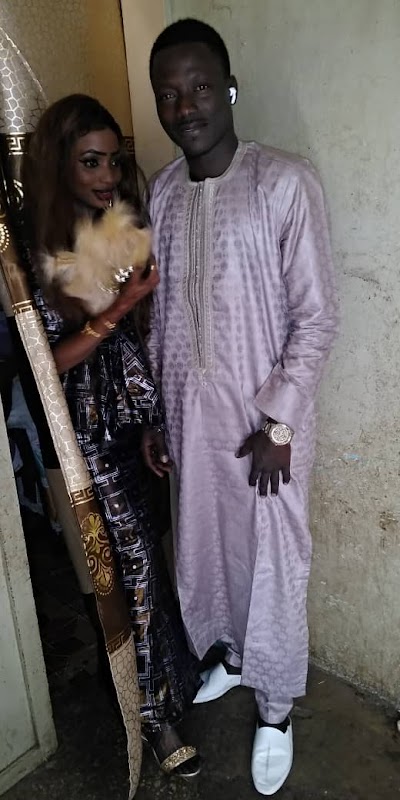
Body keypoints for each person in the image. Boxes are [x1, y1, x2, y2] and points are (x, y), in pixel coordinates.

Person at [145, 18, 338, 795]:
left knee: (271, 560)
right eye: (168, 93)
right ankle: (229, 656)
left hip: (266, 431)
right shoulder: (161, 193)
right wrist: (158, 415)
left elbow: (317, 318)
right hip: (191, 421)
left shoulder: (283, 183)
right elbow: (159, 318)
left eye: (199, 87)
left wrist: (280, 422)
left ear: (228, 89)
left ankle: (277, 708)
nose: (184, 106)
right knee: (207, 549)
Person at [22, 94, 201, 779]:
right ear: (59, 165)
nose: (107, 176)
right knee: (129, 577)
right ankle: (152, 720)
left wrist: (152, 419)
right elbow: (48, 364)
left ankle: (165, 689)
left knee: (151, 563)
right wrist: (118, 304)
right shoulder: (35, 250)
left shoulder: (117, 226)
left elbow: (137, 341)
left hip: (130, 425)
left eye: (113, 161)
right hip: (84, 443)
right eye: (90, 162)